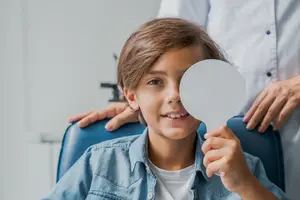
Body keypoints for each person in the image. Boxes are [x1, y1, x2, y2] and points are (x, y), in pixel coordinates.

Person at [69, 1, 300, 199]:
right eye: (155, 82)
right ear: (131, 96)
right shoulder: (98, 164)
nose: (175, 95)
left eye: (188, 80)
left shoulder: (244, 168)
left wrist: (244, 184)